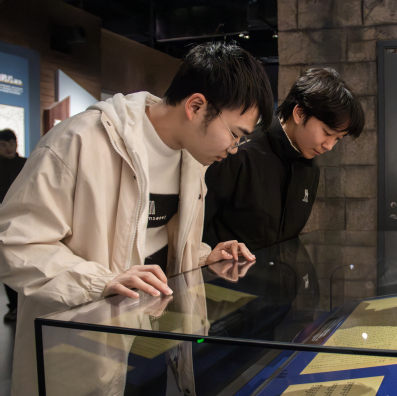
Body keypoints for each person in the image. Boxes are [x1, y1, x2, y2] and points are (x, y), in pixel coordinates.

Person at [0, 41, 273, 395]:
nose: (234, 148)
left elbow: (149, 239)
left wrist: (204, 257)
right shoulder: (80, 140)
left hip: (153, 341)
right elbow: (15, 242)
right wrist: (100, 282)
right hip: (84, 348)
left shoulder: (191, 159)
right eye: (235, 134)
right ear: (195, 106)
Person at [203, 68, 365, 251]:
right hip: (227, 269)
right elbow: (199, 230)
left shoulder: (309, 164)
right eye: (327, 133)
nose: (329, 146)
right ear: (299, 114)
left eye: (337, 139)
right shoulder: (239, 152)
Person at [0, 129, 26, 322]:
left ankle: (26, 305)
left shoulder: (26, 164)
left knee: (26, 263)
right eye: (3, 145)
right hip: (3, 223)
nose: (8, 148)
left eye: (11, 143)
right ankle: (14, 306)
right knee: (8, 264)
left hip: (24, 221)